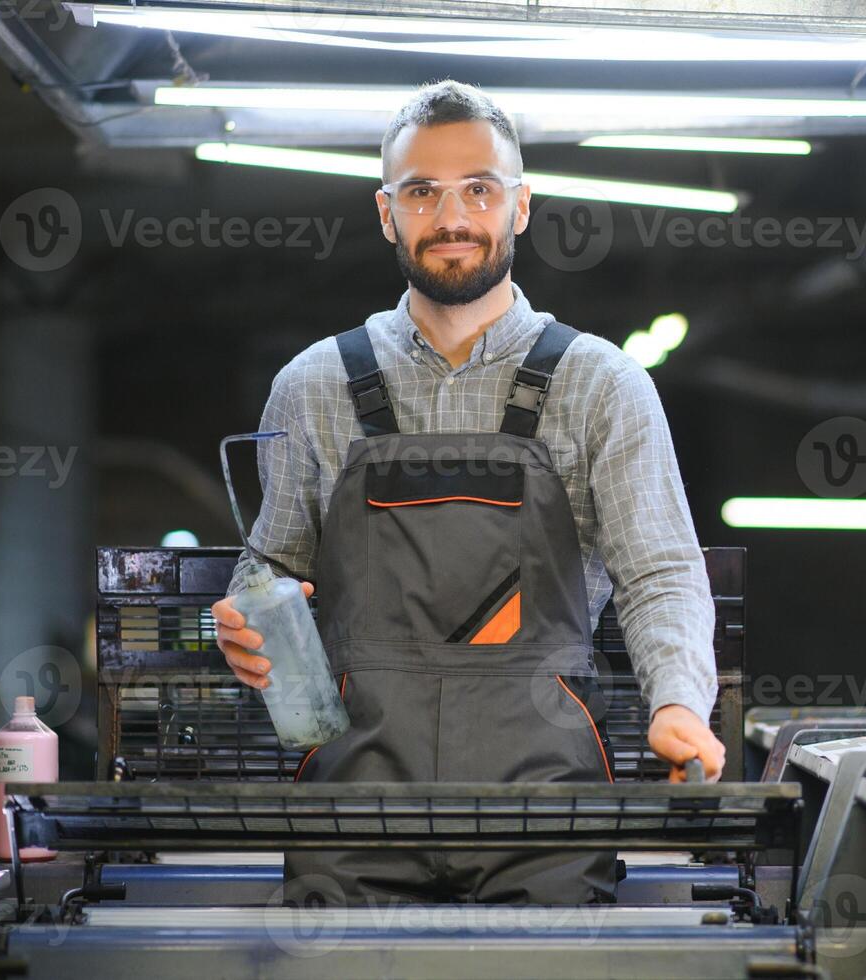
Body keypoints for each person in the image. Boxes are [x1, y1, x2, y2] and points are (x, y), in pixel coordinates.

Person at [212, 79, 725, 907]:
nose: (452, 217)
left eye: (479, 189)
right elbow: (272, 568)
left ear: (519, 206)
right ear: (388, 213)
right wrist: (245, 623)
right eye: (422, 192)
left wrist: (678, 703)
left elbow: (661, 571)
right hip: (353, 808)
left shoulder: (601, 384)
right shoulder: (312, 386)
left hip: (543, 813)